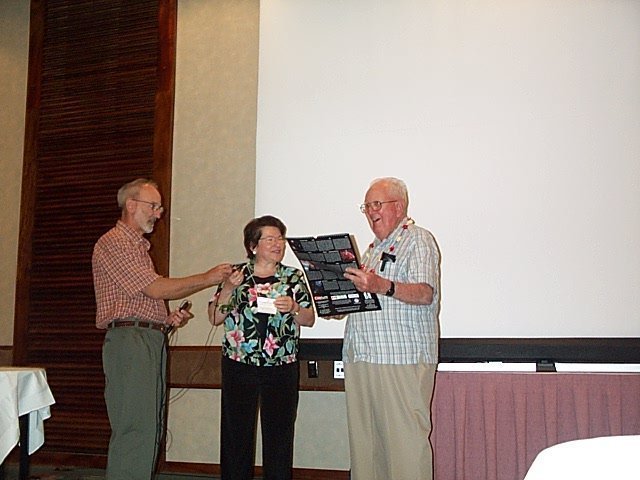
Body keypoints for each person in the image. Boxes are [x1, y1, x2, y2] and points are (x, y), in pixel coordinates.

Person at [92, 178, 233, 480]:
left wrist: (165, 320)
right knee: (134, 427)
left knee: (148, 427)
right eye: (153, 206)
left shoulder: (137, 248)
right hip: (131, 342)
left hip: (147, 339)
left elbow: (140, 298)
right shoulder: (114, 243)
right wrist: (208, 278)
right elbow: (155, 289)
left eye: (160, 208)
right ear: (131, 205)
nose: (158, 213)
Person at [342, 177, 441, 480]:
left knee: (405, 449)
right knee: (367, 449)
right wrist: (337, 301)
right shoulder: (372, 249)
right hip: (362, 357)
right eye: (367, 206)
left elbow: (424, 293)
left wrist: (381, 285)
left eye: (377, 204)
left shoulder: (418, 239)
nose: (371, 212)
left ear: (398, 207)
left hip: (400, 360)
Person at [208, 215, 315, 480]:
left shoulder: (292, 277)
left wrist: (294, 308)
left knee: (279, 435)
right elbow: (215, 317)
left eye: (280, 238)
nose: (278, 244)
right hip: (239, 364)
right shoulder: (236, 275)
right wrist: (228, 289)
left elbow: (309, 319)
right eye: (270, 239)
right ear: (253, 245)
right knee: (236, 434)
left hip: (281, 366)